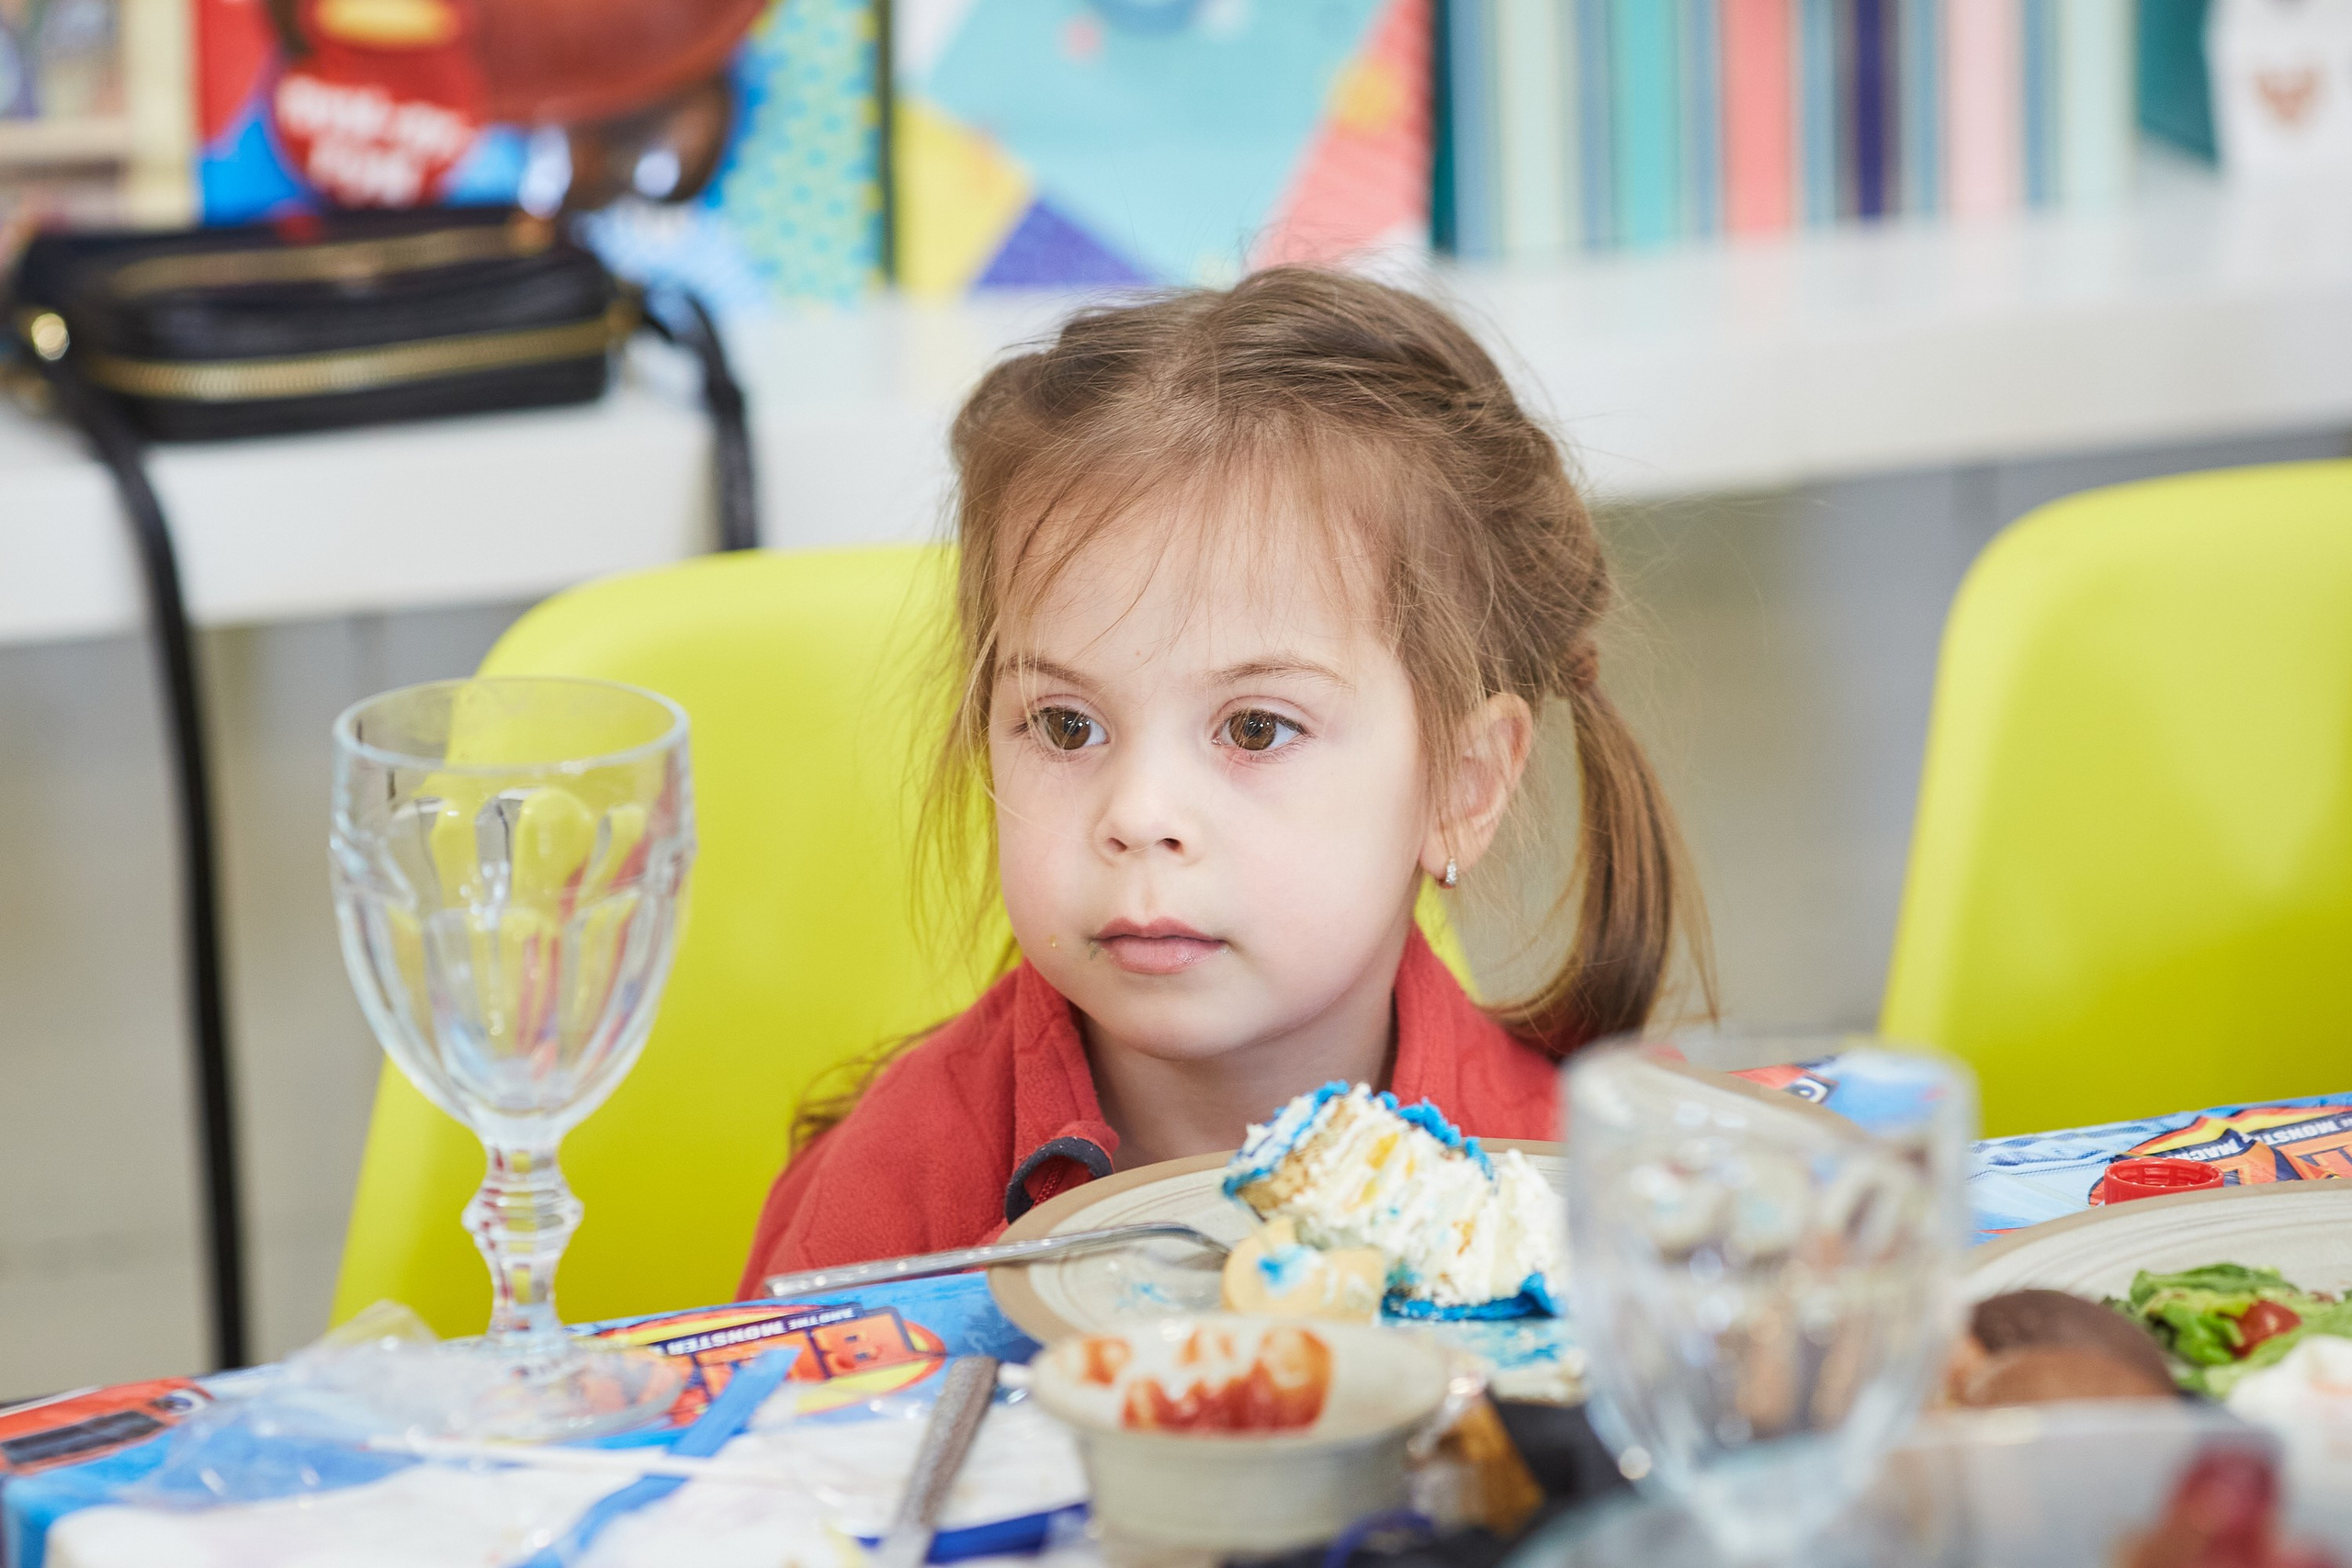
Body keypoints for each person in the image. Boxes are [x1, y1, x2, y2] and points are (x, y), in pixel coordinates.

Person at [738, 267, 1708, 1292]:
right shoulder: (881, 1213)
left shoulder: (1597, 1190)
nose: (1139, 815)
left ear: (1461, 789)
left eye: (1254, 727)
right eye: (1065, 726)